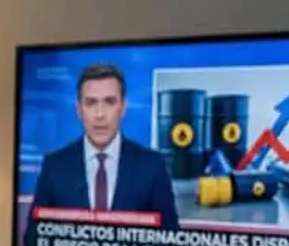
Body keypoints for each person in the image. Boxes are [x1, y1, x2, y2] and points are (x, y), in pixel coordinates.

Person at [27, 63, 180, 230]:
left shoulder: (152, 165)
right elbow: (33, 238)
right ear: (79, 110)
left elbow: (170, 237)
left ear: (123, 108)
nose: (100, 114)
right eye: (91, 103)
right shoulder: (55, 165)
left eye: (109, 102)